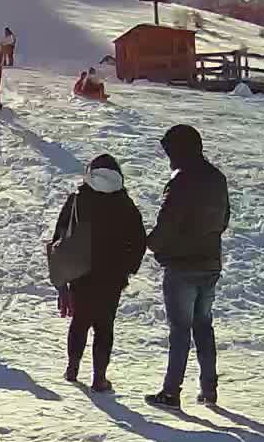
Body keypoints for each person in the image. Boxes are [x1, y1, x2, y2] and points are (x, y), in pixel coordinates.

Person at [145, 124, 230, 409]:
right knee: (203, 325)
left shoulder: (181, 181)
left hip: (182, 266)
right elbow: (224, 220)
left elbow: (167, 224)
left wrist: (152, 244)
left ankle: (171, 391)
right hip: (210, 263)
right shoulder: (217, 178)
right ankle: (209, 388)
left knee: (180, 329)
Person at [52, 154, 147, 392]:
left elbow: (60, 234)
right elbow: (138, 241)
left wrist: (63, 272)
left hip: (80, 272)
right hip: (111, 276)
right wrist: (127, 268)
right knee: (104, 326)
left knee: (80, 321)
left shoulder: (78, 199)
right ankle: (99, 379)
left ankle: (72, 369)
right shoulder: (124, 203)